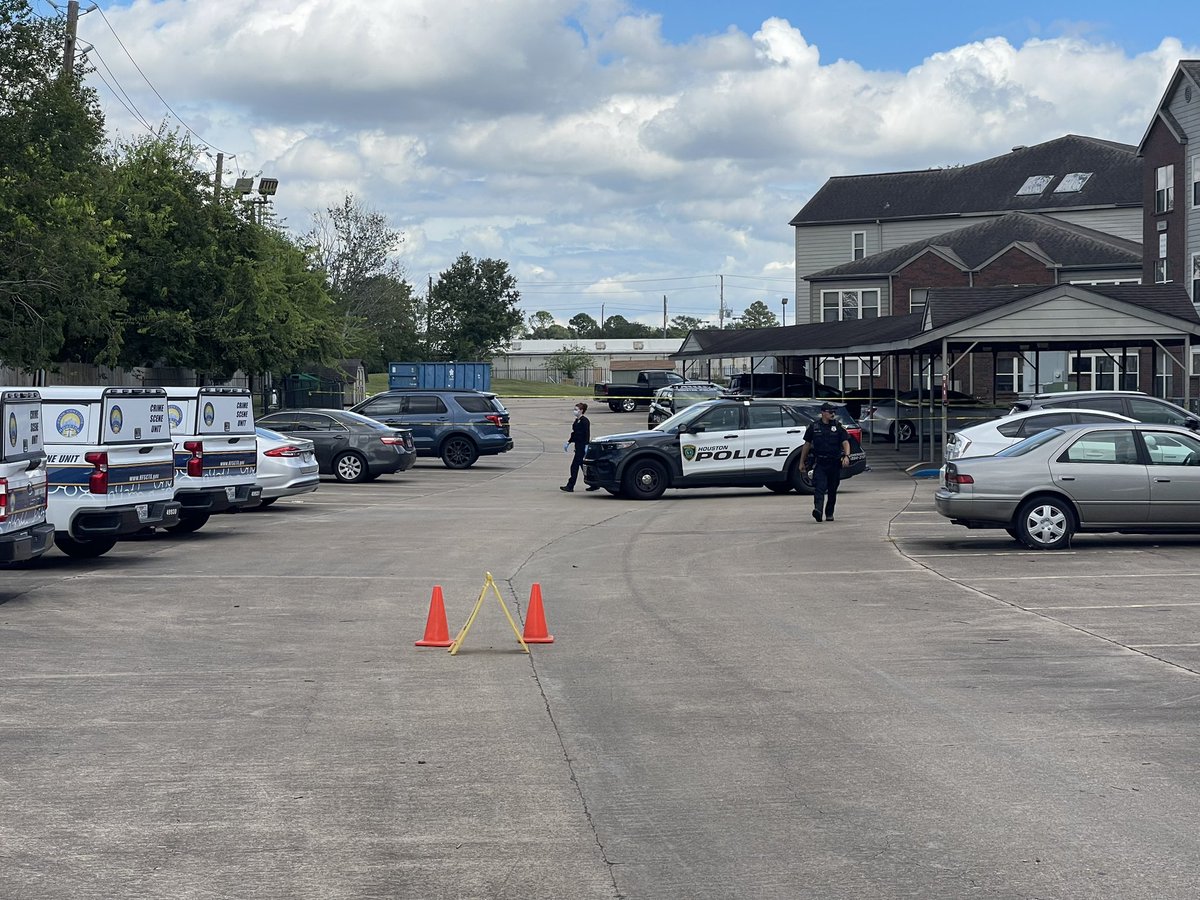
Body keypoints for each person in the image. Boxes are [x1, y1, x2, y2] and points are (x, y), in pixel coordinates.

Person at [798, 402, 851, 522]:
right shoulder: (814, 427)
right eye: (830, 412)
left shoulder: (838, 427)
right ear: (823, 412)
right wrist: (802, 462)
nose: (833, 414)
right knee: (819, 488)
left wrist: (847, 456)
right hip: (820, 462)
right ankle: (818, 510)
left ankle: (829, 513)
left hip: (834, 463)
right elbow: (806, 445)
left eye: (834, 412)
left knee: (832, 489)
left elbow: (845, 442)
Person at [560, 402, 596, 492]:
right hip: (578, 446)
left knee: (574, 467)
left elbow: (587, 433)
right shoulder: (577, 421)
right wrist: (569, 442)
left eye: (576, 409)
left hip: (582, 446)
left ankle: (570, 486)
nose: (575, 411)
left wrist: (586, 445)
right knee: (583, 467)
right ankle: (594, 483)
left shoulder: (585, 421)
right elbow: (575, 433)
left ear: (581, 411)